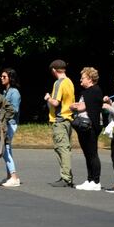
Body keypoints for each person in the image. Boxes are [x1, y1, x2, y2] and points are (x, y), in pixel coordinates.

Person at [70, 67, 103, 191]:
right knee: (87, 154)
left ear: (89, 79)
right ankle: (90, 179)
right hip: (83, 127)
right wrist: (75, 106)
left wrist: (75, 106)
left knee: (92, 153)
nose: (80, 80)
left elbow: (81, 107)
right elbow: (76, 106)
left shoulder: (94, 90)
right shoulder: (87, 91)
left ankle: (96, 181)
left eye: (82, 78)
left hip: (91, 127)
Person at [44, 59, 75, 187]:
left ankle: (66, 178)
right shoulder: (69, 82)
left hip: (59, 120)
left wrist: (48, 98)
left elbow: (56, 102)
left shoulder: (59, 83)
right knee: (65, 148)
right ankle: (67, 176)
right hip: (68, 119)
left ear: (53, 70)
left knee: (62, 149)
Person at [0, 68, 22, 187]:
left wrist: (3, 117)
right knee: (7, 149)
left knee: (5, 149)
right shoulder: (5, 92)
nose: (1, 78)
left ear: (10, 78)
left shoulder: (14, 92)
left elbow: (14, 110)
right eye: (1, 76)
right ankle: (10, 176)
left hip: (10, 123)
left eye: (4, 77)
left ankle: (14, 177)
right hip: (6, 123)